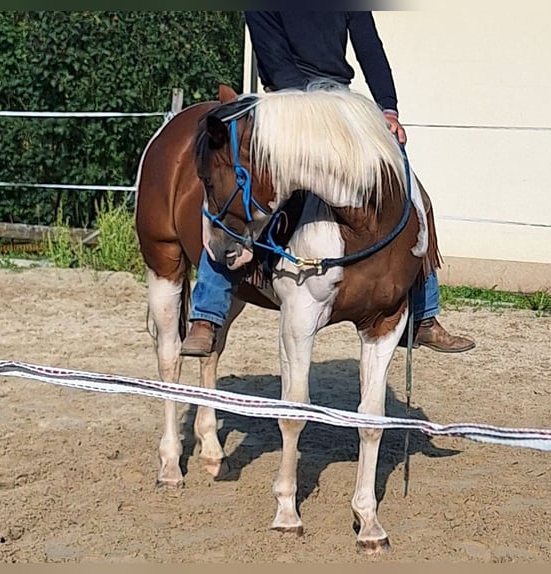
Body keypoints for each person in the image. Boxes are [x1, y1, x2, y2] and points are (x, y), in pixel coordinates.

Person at [180, 11, 475, 357]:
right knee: (236, 193)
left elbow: (369, 47)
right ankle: (208, 313)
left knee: (409, 191)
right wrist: (316, 114)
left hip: (339, 99)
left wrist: (388, 108)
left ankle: (424, 314)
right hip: (286, 104)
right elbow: (275, 61)